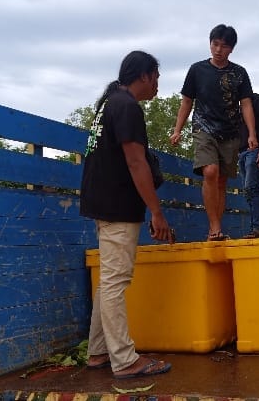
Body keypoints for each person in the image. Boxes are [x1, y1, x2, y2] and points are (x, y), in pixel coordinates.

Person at [80, 50, 174, 379]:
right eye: (157, 78)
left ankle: (98, 352)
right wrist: (156, 211)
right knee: (116, 282)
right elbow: (136, 163)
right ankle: (124, 360)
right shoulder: (127, 107)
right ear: (145, 75)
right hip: (117, 205)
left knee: (109, 281)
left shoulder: (110, 103)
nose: (158, 85)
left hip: (103, 202)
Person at [171, 24, 258, 241]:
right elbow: (187, 101)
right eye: (215, 44)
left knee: (221, 181)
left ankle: (216, 231)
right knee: (210, 172)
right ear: (210, 44)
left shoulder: (239, 73)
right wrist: (177, 129)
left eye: (224, 46)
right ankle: (215, 227)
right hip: (203, 128)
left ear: (231, 49)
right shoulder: (197, 70)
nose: (218, 49)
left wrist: (252, 134)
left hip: (230, 131)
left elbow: (246, 104)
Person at [238, 92, 259, 239]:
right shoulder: (232, 106)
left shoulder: (257, 100)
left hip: (255, 150)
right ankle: (256, 228)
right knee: (249, 191)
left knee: (251, 188)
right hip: (240, 153)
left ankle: (258, 228)